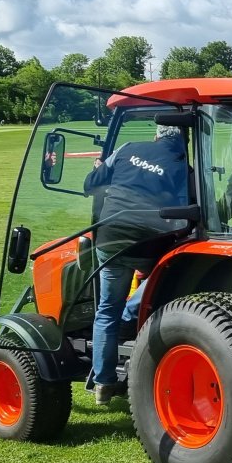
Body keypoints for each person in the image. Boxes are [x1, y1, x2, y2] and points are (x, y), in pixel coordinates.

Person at [83, 124, 190, 405]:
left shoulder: (127, 149)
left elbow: (90, 184)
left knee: (106, 309)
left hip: (110, 239)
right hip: (150, 243)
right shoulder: (184, 168)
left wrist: (97, 168)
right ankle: (131, 318)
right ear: (183, 140)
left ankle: (103, 383)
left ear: (157, 134)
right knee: (160, 279)